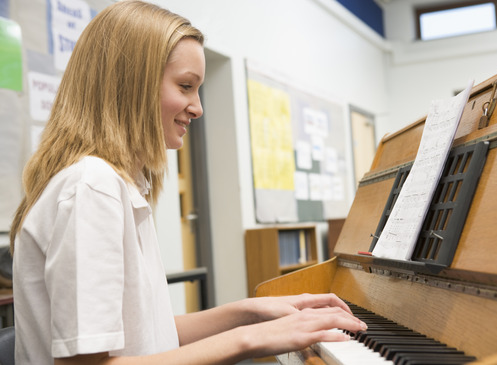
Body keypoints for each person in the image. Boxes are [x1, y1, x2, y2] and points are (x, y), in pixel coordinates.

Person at [9, 1, 366, 364]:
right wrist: (251, 339)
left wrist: (253, 311)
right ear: (131, 85)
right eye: (185, 86)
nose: (197, 107)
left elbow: (151, 333)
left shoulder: (115, 183)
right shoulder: (92, 187)